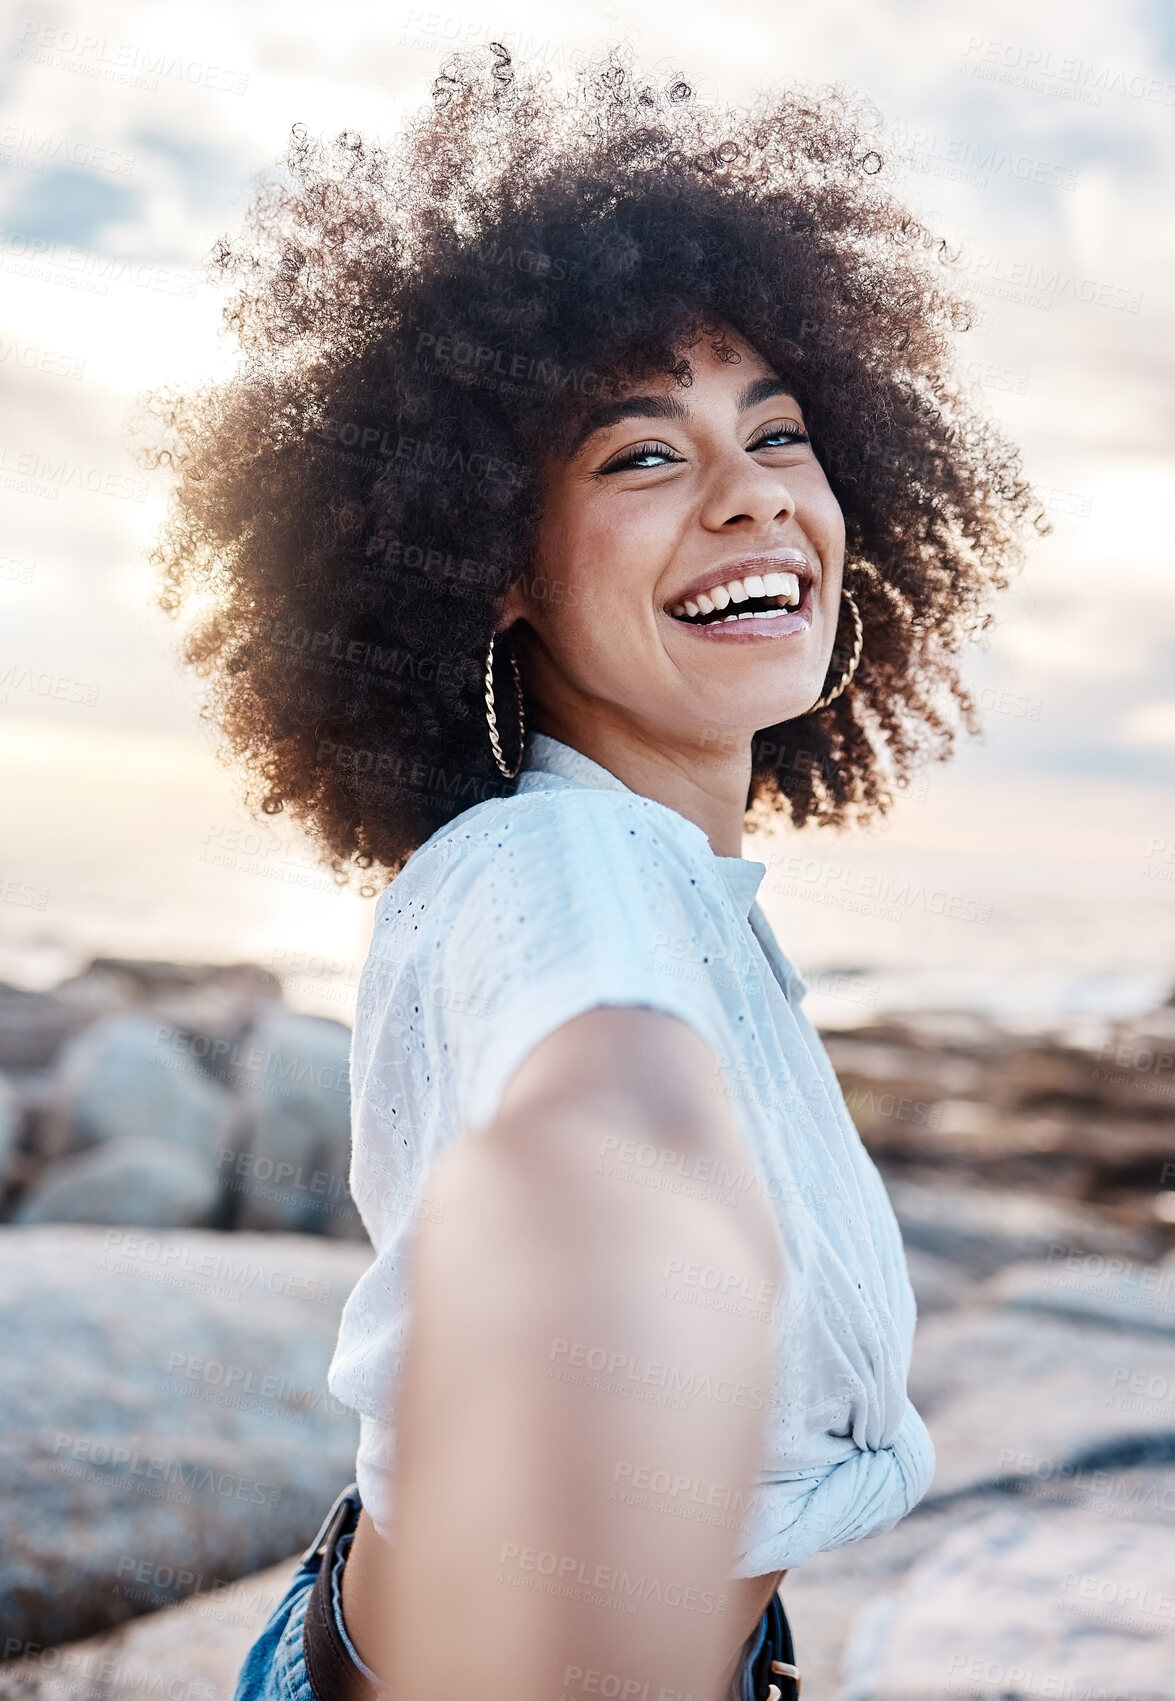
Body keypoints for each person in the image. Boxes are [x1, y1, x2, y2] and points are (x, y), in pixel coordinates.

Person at [148, 41, 1035, 1701]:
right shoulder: (548, 861)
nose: (750, 496)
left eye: (777, 435)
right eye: (642, 455)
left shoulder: (678, 883)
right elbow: (604, 1125)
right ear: (496, 566)